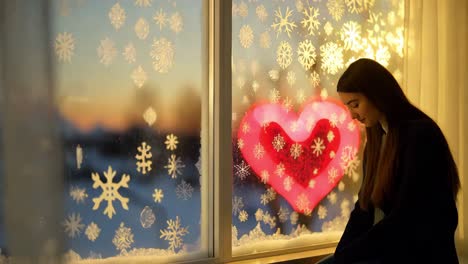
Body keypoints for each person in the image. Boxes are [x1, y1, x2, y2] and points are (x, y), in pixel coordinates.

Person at [318, 58, 460, 264]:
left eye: (355, 105)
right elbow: (364, 208)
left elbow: (404, 219)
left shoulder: (420, 134)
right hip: (396, 248)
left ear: (377, 94)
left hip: (420, 253)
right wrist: (342, 254)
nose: (352, 115)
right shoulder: (377, 138)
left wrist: (348, 256)